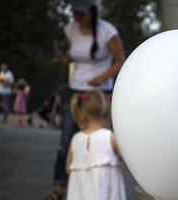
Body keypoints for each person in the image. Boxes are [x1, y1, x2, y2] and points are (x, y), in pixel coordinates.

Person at [44, 0, 125, 199]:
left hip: (99, 92)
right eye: (75, 12)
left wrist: (102, 77)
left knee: (103, 139)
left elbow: (120, 60)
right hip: (76, 91)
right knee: (67, 140)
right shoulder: (70, 30)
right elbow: (72, 55)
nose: (77, 16)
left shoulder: (107, 31)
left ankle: (103, 186)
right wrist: (62, 59)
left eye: (81, 12)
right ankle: (59, 188)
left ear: (92, 12)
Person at [66, 91, 126, 200]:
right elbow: (126, 157)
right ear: (106, 111)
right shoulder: (110, 137)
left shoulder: (75, 139)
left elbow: (68, 168)